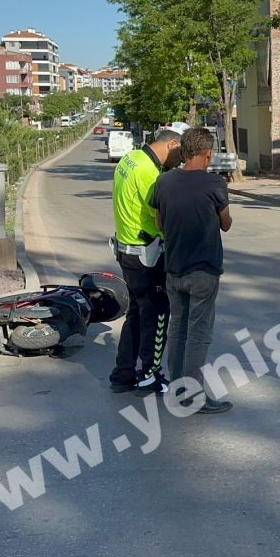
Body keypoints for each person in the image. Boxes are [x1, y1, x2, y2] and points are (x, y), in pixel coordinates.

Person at [150, 127, 233, 414]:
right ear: (208, 153)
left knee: (177, 330)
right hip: (204, 271)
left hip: (174, 269)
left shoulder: (163, 182)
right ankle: (193, 395)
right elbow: (226, 223)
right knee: (198, 333)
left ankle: (177, 389)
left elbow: (160, 223)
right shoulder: (214, 185)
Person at [109, 124, 187, 394]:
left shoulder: (131, 159)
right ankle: (149, 376)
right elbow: (161, 215)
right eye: (182, 154)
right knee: (157, 316)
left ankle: (123, 374)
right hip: (147, 256)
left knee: (137, 314)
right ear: (172, 144)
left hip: (127, 249)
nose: (182, 161)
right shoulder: (149, 173)